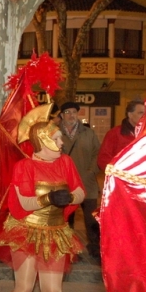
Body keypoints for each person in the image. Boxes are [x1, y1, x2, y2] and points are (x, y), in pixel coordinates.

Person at [0, 105, 85, 292]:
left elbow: (80, 191)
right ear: (42, 141)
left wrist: (68, 198)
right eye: (56, 138)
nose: (61, 142)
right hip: (26, 231)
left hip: (54, 231)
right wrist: (49, 199)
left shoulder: (65, 162)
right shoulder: (24, 167)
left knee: (54, 289)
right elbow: (23, 203)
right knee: (24, 286)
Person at [58, 101, 101, 262]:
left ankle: (95, 248)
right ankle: (69, 250)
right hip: (65, 184)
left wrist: (91, 172)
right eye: (67, 112)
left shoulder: (88, 133)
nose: (71, 115)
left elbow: (98, 153)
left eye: (74, 112)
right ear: (62, 115)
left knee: (91, 219)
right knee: (66, 219)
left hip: (87, 183)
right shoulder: (55, 133)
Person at [97, 100, 145, 170]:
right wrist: (120, 171)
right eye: (140, 113)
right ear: (130, 115)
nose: (144, 116)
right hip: (122, 177)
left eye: (145, 113)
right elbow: (103, 159)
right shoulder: (115, 133)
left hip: (143, 178)